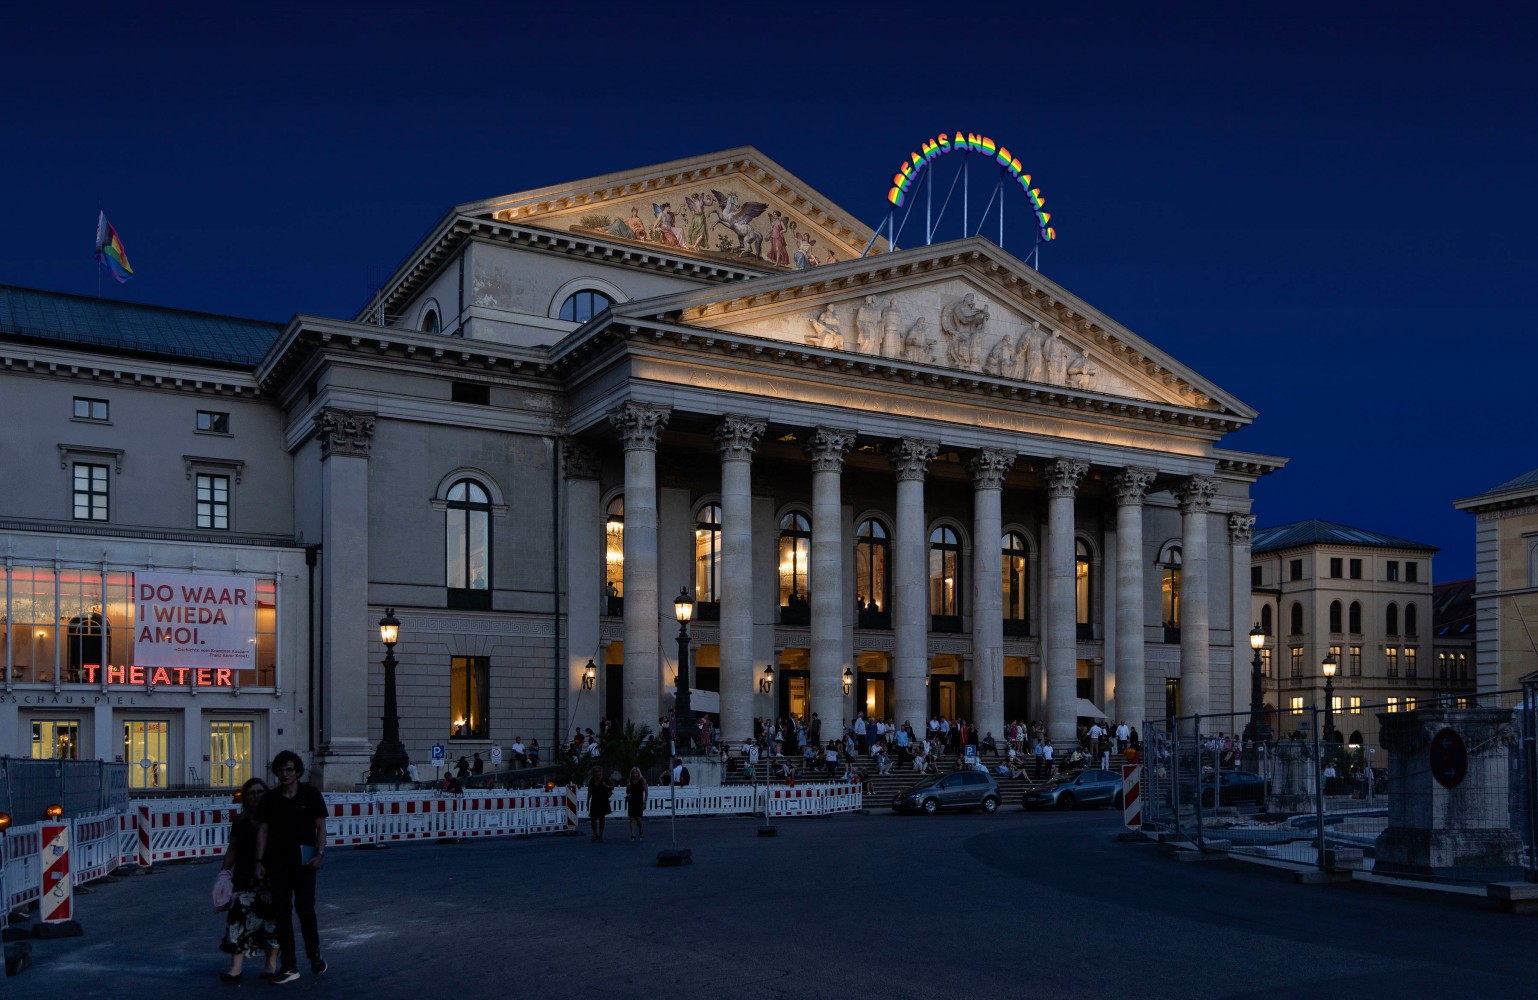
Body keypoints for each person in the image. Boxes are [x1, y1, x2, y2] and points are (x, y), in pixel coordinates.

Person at [254, 750, 329, 983]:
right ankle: (289, 965)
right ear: (276, 772)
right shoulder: (270, 799)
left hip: (305, 860)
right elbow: (263, 831)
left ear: (297, 771)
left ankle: (314, 955)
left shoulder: (311, 794)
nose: (285, 774)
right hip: (277, 862)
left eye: (289, 769)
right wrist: (258, 861)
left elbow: (321, 827)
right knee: (282, 914)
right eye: (281, 770)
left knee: (306, 910)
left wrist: (320, 854)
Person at [217, 777, 278, 984]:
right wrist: (224, 873)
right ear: (245, 797)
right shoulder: (240, 822)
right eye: (251, 793)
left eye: (260, 792)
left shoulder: (275, 820)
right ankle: (236, 969)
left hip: (269, 879)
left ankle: (270, 966)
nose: (256, 796)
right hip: (243, 878)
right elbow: (232, 849)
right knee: (236, 920)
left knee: (270, 923)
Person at [587, 765, 612, 843]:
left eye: (599, 771)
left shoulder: (605, 779)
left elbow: (612, 787)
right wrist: (587, 801)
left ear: (601, 772)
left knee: (602, 817)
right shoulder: (591, 780)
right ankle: (595, 834)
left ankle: (601, 835)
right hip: (594, 800)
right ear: (593, 773)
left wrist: (606, 785)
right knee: (592, 818)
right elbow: (590, 791)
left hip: (603, 800)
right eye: (596, 772)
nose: (597, 773)